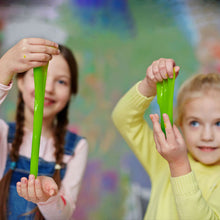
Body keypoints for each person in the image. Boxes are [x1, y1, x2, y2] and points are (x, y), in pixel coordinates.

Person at [112, 58, 220, 219]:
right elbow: (123, 118)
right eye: (195, 123)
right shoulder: (163, 160)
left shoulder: (173, 161)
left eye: (218, 123)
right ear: (180, 125)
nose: (207, 136)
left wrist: (178, 164)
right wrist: (148, 86)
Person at [0, 38, 88, 220]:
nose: (47, 88)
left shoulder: (76, 148)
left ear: (71, 92)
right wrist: (5, 66)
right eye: (38, 75)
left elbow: (63, 216)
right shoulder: (2, 133)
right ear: (21, 81)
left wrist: (49, 198)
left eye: (61, 82)